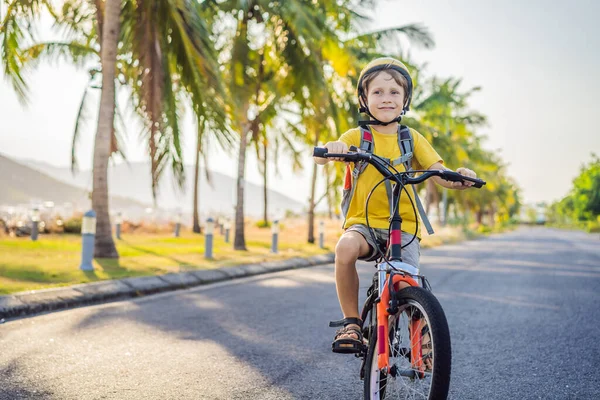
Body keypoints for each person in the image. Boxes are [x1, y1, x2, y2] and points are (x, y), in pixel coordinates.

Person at [314, 57, 478, 353]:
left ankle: (423, 335)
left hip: (404, 226)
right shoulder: (357, 137)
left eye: (394, 93)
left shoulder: (411, 139)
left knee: (405, 285)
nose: (386, 98)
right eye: (377, 92)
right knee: (344, 249)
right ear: (364, 99)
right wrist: (332, 150)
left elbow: (439, 173)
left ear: (405, 101)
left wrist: (459, 177)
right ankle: (351, 323)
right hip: (363, 225)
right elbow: (323, 155)